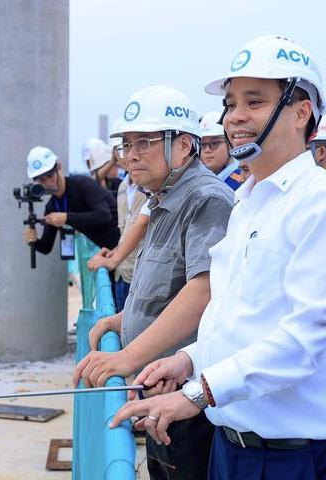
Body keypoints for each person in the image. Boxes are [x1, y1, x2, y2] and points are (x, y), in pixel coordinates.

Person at [110, 34, 326, 480]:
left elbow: (303, 338)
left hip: (298, 457)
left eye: (255, 101)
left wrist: (195, 393)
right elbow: (239, 321)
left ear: (302, 112)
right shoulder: (247, 203)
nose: (235, 117)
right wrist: (188, 359)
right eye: (230, 104)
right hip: (231, 448)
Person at [73, 85, 234, 479]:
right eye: (126, 145)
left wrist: (126, 358)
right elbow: (166, 285)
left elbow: (204, 289)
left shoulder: (205, 199)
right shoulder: (162, 199)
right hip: (157, 386)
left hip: (189, 397)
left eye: (143, 142)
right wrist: (124, 319)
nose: (131, 155)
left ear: (182, 146)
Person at [88, 126, 150, 313]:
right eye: (124, 148)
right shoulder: (123, 187)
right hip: (122, 274)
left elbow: (143, 224)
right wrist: (113, 253)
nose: (128, 155)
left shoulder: (150, 185)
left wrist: (113, 260)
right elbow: (127, 230)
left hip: (141, 277)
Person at [23, 146, 120, 256]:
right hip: (110, 253)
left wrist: (66, 217)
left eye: (49, 176)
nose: (47, 182)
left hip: (126, 244)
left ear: (59, 167)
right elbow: (46, 246)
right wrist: (34, 241)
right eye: (41, 179)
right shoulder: (52, 206)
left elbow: (104, 215)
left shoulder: (82, 184)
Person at [200, 110, 245, 190]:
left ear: (230, 144)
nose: (207, 150)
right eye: (203, 145)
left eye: (214, 143)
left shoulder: (240, 181)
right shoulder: (203, 179)